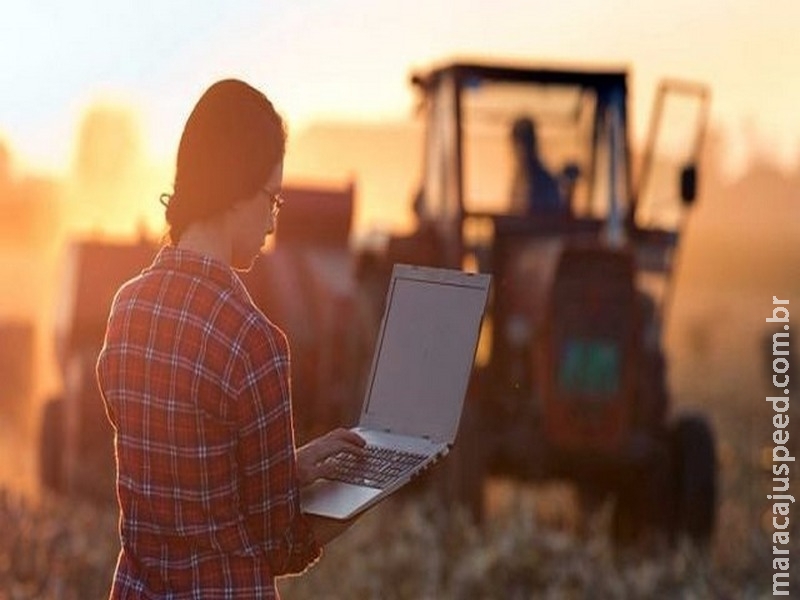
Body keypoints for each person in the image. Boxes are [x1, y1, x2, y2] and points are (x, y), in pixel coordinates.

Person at [96, 79, 366, 599]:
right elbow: (278, 545)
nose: (272, 219)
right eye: (272, 197)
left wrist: (289, 465)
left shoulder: (125, 310)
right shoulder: (253, 343)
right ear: (236, 191)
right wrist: (357, 497)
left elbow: (186, 476)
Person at [509, 116, 567, 215]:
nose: (521, 150)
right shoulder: (518, 179)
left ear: (532, 144)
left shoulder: (546, 182)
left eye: (525, 143)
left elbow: (553, 216)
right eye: (518, 144)